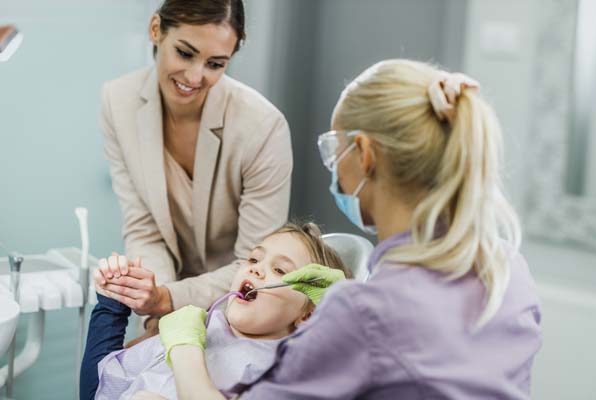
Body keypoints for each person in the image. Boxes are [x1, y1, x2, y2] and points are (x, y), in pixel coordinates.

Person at [158, 59, 542, 399]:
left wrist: (185, 350)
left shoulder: (363, 314)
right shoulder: (509, 268)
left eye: (333, 149)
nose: (333, 165)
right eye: (258, 259)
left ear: (365, 154)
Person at [99, 0, 293, 344]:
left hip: (240, 309)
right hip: (163, 304)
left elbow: (255, 264)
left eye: (215, 64)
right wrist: (160, 311)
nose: (194, 77)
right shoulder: (118, 101)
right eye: (185, 53)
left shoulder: (263, 127)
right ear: (156, 30)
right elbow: (144, 228)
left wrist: (168, 300)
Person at [79, 223, 350, 400]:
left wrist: (185, 349)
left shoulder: (283, 374)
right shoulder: (201, 325)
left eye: (280, 270)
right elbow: (98, 389)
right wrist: (112, 302)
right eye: (254, 259)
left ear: (308, 314)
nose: (255, 268)